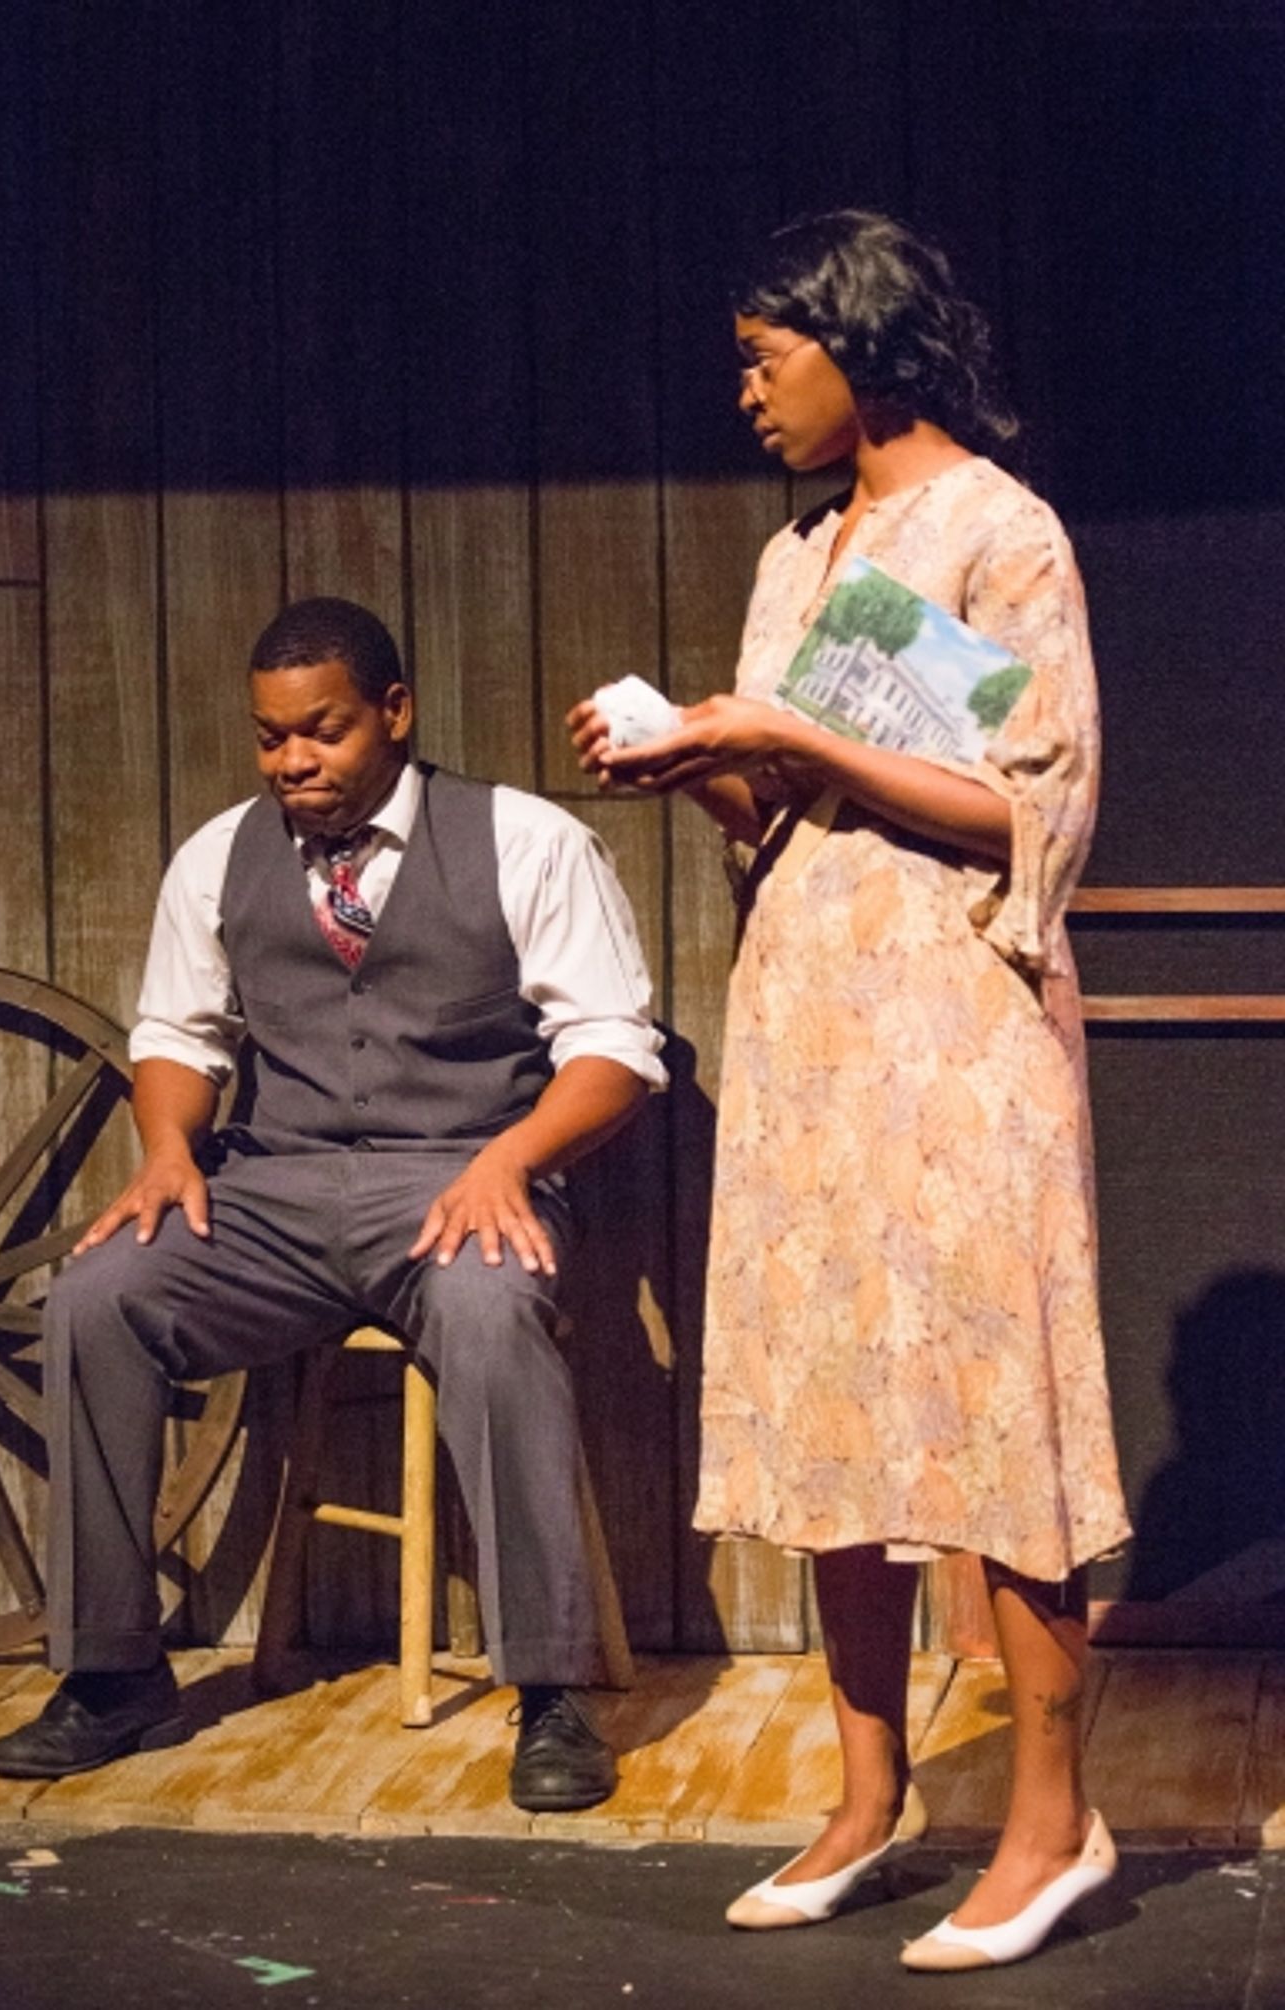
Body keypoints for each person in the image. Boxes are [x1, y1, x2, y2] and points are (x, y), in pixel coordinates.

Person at [570, 210, 1130, 1971]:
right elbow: (800, 825)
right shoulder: (808, 551)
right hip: (814, 1025)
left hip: (962, 1024)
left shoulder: (994, 531)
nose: (744, 388)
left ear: (859, 344)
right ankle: (868, 1794)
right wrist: (701, 763)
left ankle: (1053, 1823)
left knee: (998, 1412)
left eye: (765, 354)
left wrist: (788, 733)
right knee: (835, 1418)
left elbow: (1029, 806)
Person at [0, 595, 666, 1813]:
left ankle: (551, 1693)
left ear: (394, 714)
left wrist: (511, 1160)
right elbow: (177, 1032)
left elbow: (613, 1044)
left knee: (490, 1311)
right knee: (98, 1295)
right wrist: (163, 1151)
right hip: (277, 1190)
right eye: (270, 737)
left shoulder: (524, 838)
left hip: (461, 1176)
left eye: (323, 730)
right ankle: (111, 1671)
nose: (293, 760)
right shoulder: (218, 854)